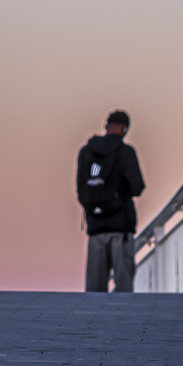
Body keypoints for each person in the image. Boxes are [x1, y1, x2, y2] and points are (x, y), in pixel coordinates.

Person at [77, 110, 145, 293]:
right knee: (123, 289)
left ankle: (92, 322)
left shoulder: (86, 152)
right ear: (124, 129)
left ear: (106, 126)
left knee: (94, 291)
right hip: (120, 227)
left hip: (96, 227)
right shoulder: (126, 152)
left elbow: (80, 189)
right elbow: (137, 187)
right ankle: (122, 321)